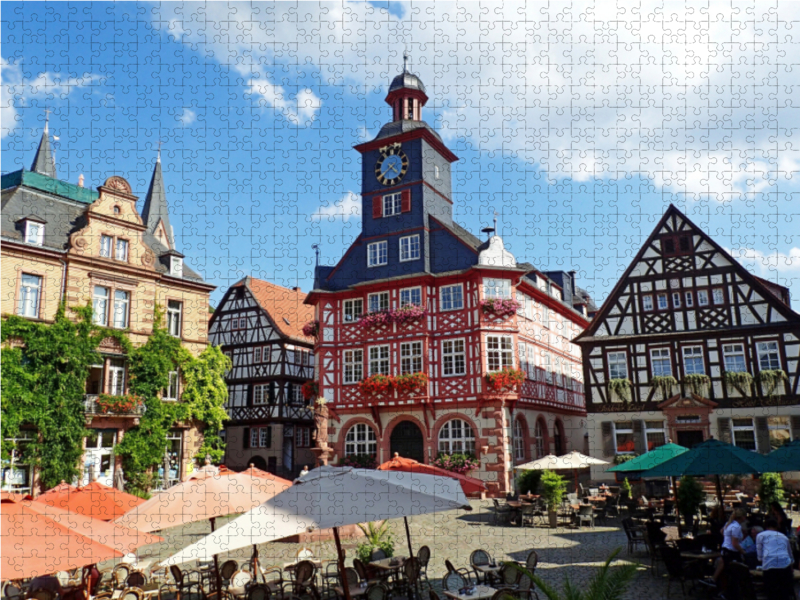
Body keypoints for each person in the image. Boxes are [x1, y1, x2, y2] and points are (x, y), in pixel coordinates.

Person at [756, 518, 794, 600]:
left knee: (771, 591)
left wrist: (761, 561)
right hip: (785, 563)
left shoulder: (760, 535)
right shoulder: (783, 536)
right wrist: (791, 565)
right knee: (784, 592)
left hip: (769, 563)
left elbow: (759, 553)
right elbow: (789, 553)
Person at [709, 508, 747, 588]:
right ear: (742, 517)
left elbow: (722, 531)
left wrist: (727, 538)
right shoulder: (736, 527)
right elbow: (734, 543)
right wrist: (742, 551)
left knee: (724, 567)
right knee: (739, 569)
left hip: (725, 548)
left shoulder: (729, 524)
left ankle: (715, 581)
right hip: (732, 551)